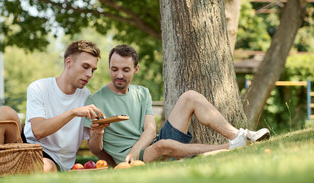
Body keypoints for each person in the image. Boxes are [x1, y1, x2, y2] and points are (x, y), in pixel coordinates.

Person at [84, 44, 270, 166]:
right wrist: (101, 137)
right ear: (109, 67)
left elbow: (149, 130)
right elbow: (95, 148)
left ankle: (238, 135)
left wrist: (136, 149)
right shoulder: (95, 101)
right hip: (132, 160)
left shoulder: (142, 92)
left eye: (125, 70)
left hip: (147, 146)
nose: (119, 75)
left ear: (136, 69)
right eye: (114, 69)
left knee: (190, 96)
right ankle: (230, 148)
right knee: (162, 145)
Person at [0, 40, 105, 177]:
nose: (89, 74)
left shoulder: (87, 97)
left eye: (93, 70)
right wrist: (73, 112)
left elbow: (94, 149)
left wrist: (98, 133)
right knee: (5, 112)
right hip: (27, 146)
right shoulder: (39, 87)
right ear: (69, 62)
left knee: (45, 167)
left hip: (54, 160)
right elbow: (38, 131)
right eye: (85, 67)